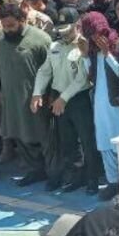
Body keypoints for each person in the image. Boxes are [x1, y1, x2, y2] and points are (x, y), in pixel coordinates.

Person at [34, 16, 100, 195]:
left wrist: (63, 98)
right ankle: (76, 177)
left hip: (78, 99)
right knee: (67, 141)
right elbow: (45, 71)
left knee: (87, 140)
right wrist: (37, 92)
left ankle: (92, 179)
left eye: (68, 29)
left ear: (76, 25)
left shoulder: (83, 46)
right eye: (60, 30)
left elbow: (82, 78)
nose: (64, 34)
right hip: (59, 99)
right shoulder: (54, 47)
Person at [0, 5, 54, 188]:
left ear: (22, 20)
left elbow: (52, 70)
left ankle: (54, 174)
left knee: (44, 137)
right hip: (11, 100)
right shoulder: (1, 39)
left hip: (37, 100)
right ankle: (35, 170)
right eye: (4, 26)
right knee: (20, 135)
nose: (8, 29)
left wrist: (50, 96)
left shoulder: (40, 39)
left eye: (11, 25)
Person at [82, 11, 119, 201]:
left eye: (98, 33)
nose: (96, 38)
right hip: (100, 105)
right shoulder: (92, 49)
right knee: (104, 144)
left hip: (117, 105)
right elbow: (90, 76)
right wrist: (85, 55)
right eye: (91, 34)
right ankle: (113, 182)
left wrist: (108, 54)